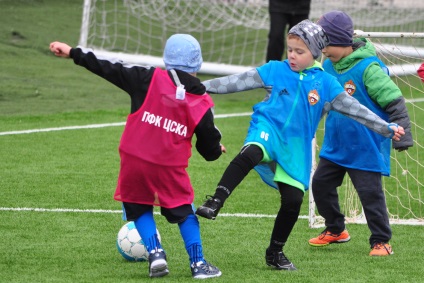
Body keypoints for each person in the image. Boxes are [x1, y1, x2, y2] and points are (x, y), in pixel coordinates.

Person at [195, 20, 405, 270]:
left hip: (295, 147)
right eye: (290, 49)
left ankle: (275, 252)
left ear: (315, 53)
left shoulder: (326, 83)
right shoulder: (274, 70)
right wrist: (199, 88)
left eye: (299, 51)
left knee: (293, 199)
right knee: (252, 151)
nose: (292, 56)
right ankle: (216, 200)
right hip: (268, 128)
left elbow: (357, 110)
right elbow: (235, 82)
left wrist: (386, 127)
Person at [49, 34, 226, 279]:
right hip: (168, 166)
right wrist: (217, 149)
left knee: (138, 205)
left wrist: (72, 52)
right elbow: (209, 148)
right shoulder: (201, 101)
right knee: (184, 211)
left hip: (134, 159)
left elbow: (109, 68)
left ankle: (156, 254)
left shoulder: (147, 78)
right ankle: (198, 264)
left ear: (166, 59)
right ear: (198, 64)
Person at [308, 10, 413, 256]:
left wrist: (402, 135)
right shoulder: (327, 67)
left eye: (326, 45)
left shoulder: (369, 68)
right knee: (320, 185)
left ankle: (381, 241)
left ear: (342, 41)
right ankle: (336, 229)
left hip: (365, 146)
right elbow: (322, 102)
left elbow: (394, 102)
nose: (323, 50)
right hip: (335, 146)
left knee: (370, 196)